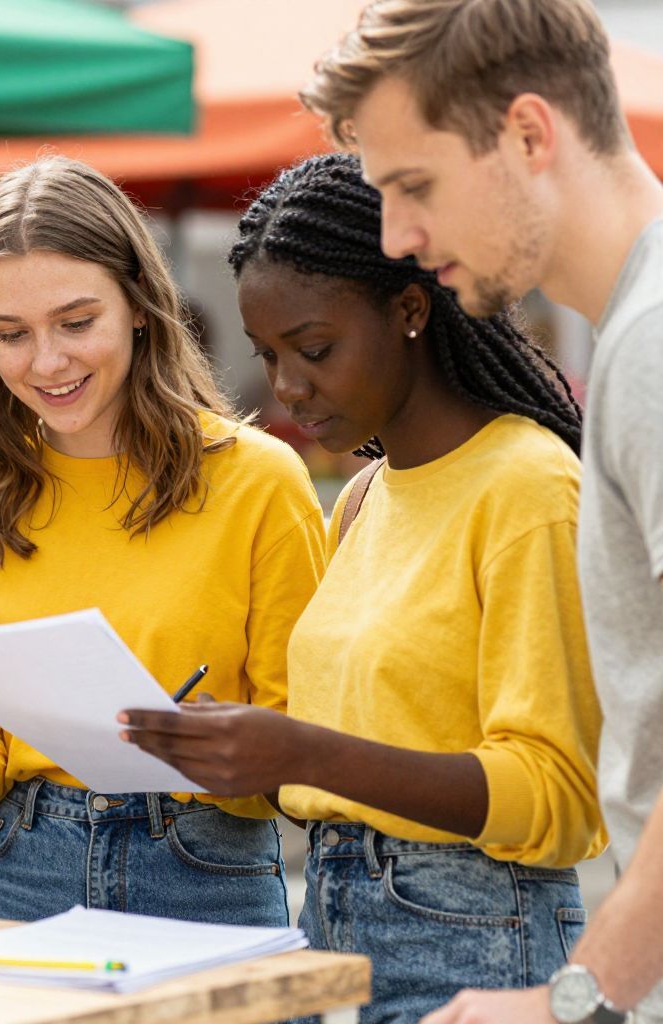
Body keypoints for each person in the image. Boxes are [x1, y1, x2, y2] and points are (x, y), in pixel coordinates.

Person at [119, 152, 604, 1024]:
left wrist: (301, 753)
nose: (288, 387)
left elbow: (560, 797)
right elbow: (358, 748)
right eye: (268, 355)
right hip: (333, 921)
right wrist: (228, 747)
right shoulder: (362, 500)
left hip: (482, 940)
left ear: (411, 309)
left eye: (314, 349)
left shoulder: (529, 488)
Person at [298, 2, 663, 1020]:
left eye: (415, 186)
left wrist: (570, 1001)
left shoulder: (651, 348)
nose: (398, 238)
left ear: (531, 135)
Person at [0, 155, 325, 925]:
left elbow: (299, 770)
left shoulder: (259, 483)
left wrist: (223, 753)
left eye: (77, 322)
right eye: (11, 333)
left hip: (208, 871)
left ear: (140, 306)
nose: (48, 362)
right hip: (16, 870)